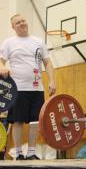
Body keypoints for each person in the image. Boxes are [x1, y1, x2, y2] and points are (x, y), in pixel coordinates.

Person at [0, 14, 56, 160]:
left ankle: (31, 153)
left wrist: (52, 81)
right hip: (17, 89)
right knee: (17, 121)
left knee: (35, 121)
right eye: (18, 23)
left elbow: (48, 63)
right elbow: (0, 61)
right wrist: (2, 68)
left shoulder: (38, 41)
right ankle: (18, 153)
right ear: (13, 27)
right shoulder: (9, 43)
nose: (22, 23)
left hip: (37, 89)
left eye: (23, 20)